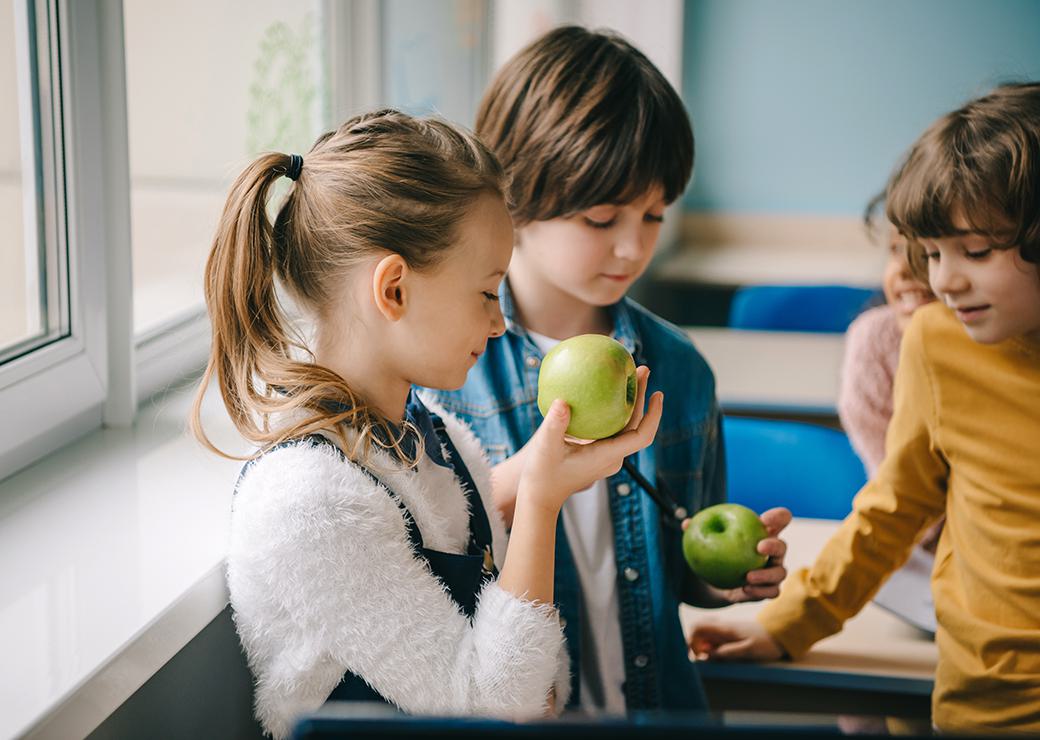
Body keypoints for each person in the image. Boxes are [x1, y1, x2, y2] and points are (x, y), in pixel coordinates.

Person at [189, 109, 664, 739]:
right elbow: (493, 709)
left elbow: (537, 680)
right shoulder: (307, 502)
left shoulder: (432, 433)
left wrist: (561, 468)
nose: (499, 325)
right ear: (393, 290)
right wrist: (543, 500)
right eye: (488, 292)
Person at [420, 26, 790, 717]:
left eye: (653, 214)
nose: (633, 246)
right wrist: (534, 476)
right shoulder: (441, 374)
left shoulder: (677, 372)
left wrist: (731, 581)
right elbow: (421, 556)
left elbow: (681, 567)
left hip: (654, 710)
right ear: (513, 199)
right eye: (600, 217)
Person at [688, 82, 1040, 735]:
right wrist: (789, 626)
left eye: (976, 252)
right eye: (932, 254)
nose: (944, 281)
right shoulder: (937, 342)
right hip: (984, 705)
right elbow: (893, 509)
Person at [839, 194, 935, 477]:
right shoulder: (874, 342)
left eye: (927, 254)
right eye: (896, 249)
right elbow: (893, 482)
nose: (904, 269)